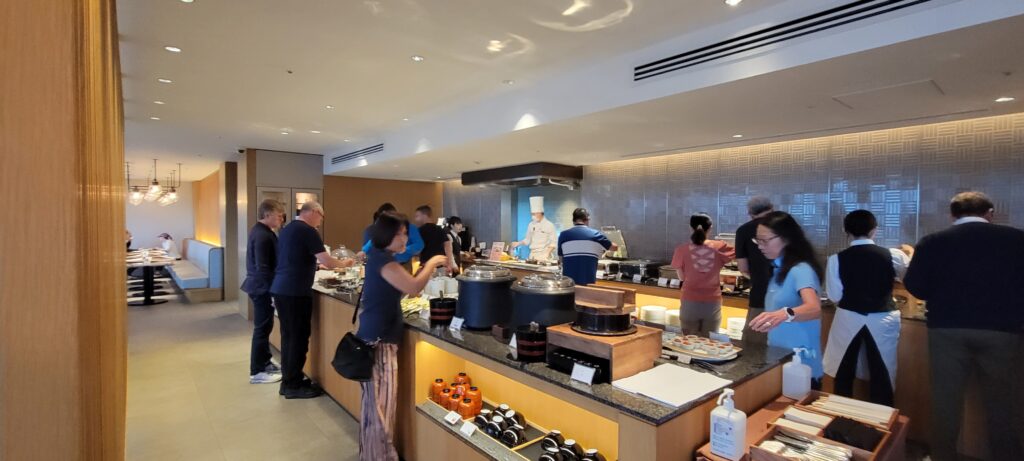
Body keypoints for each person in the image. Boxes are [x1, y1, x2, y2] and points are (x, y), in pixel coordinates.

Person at [903, 191, 1024, 461]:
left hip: (947, 328)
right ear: (990, 213)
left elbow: (915, 286)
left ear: (952, 214)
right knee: (1002, 402)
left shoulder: (932, 242)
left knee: (946, 401)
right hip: (1002, 330)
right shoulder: (1017, 239)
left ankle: (942, 456)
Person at [357, 211, 449, 461]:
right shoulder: (384, 261)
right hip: (380, 342)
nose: (405, 239)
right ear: (388, 234)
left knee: (372, 408)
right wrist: (430, 264)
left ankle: (371, 455)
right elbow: (413, 287)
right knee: (381, 408)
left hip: (373, 335)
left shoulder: (378, 257)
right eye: (402, 234)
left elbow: (402, 291)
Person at [822, 210, 911, 405]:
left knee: (844, 370)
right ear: (874, 230)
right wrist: (910, 254)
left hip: (848, 317)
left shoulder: (836, 259)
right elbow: (909, 280)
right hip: (883, 318)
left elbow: (835, 295)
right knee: (882, 371)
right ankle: (881, 425)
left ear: (846, 230)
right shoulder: (893, 255)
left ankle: (840, 419)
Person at [270, 201, 356, 399]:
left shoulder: (288, 228)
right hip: (295, 292)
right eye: (321, 217)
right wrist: (345, 263)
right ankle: (292, 385)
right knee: (297, 339)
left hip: (283, 289)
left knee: (289, 338)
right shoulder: (308, 231)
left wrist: (315, 268)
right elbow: (328, 260)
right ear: (315, 212)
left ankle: (291, 380)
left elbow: (294, 258)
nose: (320, 222)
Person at [748, 211, 824, 387]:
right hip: (780, 359)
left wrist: (784, 314)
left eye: (765, 240)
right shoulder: (777, 269)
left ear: (787, 238)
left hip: (801, 364)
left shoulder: (801, 269)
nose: (760, 246)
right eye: (757, 240)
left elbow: (814, 308)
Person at [241, 199, 286, 385]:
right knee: (262, 328)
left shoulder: (262, 231)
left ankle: (265, 362)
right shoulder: (263, 235)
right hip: (262, 288)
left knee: (265, 327)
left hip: (259, 286)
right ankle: (257, 370)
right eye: (278, 215)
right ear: (267, 214)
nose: (281, 218)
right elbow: (263, 267)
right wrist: (273, 292)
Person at [670, 213, 735, 334]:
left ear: (691, 227)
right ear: (710, 228)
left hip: (689, 300)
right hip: (712, 301)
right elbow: (738, 253)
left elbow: (682, 277)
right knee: (710, 341)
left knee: (688, 340)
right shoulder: (719, 246)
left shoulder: (681, 250)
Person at [735, 196, 774, 344]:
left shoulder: (744, 230)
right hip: (790, 301)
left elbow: (743, 268)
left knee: (754, 345)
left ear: (750, 213)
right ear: (772, 208)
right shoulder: (786, 227)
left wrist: (757, 276)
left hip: (760, 294)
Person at [557, 208, 617, 286]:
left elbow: (561, 259)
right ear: (587, 220)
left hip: (568, 283)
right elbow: (614, 248)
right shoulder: (596, 234)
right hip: (588, 282)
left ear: (573, 220)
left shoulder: (563, 235)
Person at [361, 203, 423, 267]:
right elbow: (373, 242)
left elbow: (419, 245)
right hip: (384, 264)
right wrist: (364, 252)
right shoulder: (382, 229)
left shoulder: (409, 227)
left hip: (403, 264)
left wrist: (403, 249)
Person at [511, 196, 557, 261]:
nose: (532, 216)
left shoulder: (549, 225)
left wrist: (546, 254)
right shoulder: (531, 224)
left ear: (540, 213)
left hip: (544, 255)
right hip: (532, 255)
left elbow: (553, 243)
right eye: (532, 214)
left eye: (534, 214)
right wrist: (518, 243)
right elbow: (527, 240)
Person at [413, 205, 455, 273]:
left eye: (417, 216)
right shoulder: (440, 229)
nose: (415, 219)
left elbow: (417, 251)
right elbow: (448, 245)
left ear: (424, 216)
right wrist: (450, 263)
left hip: (428, 268)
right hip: (442, 267)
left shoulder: (419, 231)